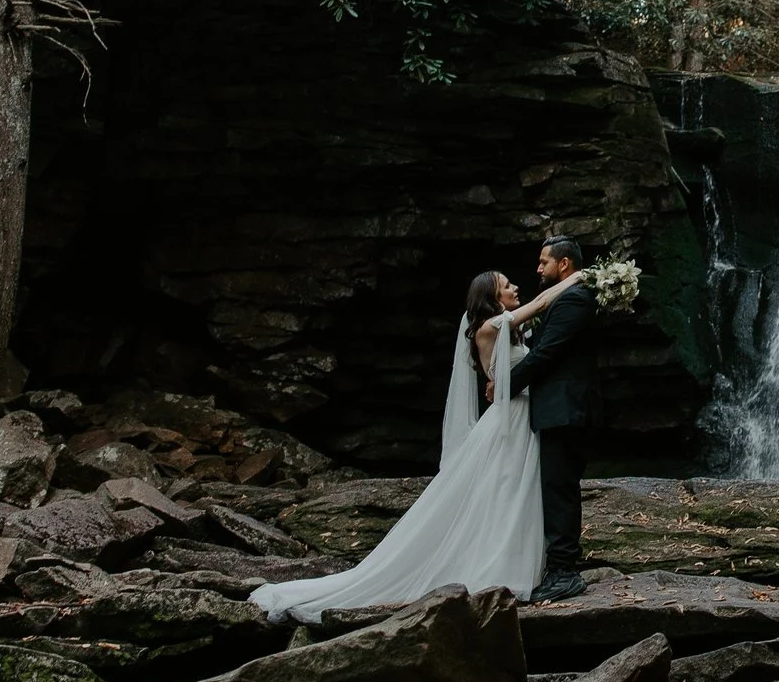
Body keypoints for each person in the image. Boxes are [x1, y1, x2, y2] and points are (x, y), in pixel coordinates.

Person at [246, 263, 583, 622]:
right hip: (510, 419)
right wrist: (579, 278)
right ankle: (499, 565)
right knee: (505, 489)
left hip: (518, 415)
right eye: (506, 285)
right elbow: (543, 303)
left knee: (513, 490)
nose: (515, 287)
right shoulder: (492, 326)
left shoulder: (505, 329)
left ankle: (515, 559)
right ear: (492, 298)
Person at [514, 235, 599, 603]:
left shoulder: (574, 300)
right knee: (554, 487)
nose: (538, 268)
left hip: (566, 410)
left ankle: (565, 571)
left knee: (560, 488)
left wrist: (504, 384)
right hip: (557, 409)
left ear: (564, 265)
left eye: (543, 262)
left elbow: (545, 354)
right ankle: (557, 566)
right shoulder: (564, 299)